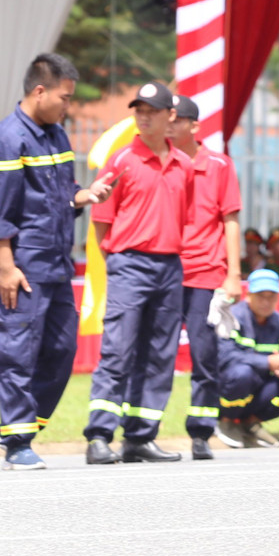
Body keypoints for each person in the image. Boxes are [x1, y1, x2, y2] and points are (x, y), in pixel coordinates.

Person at [0, 54, 112, 471]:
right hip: (22, 268)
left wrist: (85, 195)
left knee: (62, 350)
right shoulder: (7, 139)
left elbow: (59, 195)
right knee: (16, 353)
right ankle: (17, 441)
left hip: (59, 264)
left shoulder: (57, 135)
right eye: (64, 97)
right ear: (39, 91)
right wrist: (6, 267)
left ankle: (18, 427)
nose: (68, 106)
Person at [84, 81, 195, 465]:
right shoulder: (121, 161)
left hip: (169, 266)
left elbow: (185, 216)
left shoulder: (184, 165)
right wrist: (116, 259)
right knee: (117, 351)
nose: (143, 116)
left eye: (151, 110)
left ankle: (140, 436)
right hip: (129, 264)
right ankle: (99, 435)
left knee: (159, 355)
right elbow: (101, 221)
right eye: (138, 110)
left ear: (170, 117)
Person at [167, 93, 242, 461]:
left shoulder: (219, 164)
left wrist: (234, 275)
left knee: (204, 355)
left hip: (205, 273)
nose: (168, 124)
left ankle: (200, 432)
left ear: (193, 125)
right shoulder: (162, 162)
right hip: (166, 271)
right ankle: (143, 431)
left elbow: (230, 221)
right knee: (156, 354)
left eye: (175, 118)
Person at [216, 268, 279, 448]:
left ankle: (251, 422)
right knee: (243, 373)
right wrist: (267, 362)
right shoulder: (233, 317)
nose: (266, 302)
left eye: (271, 296)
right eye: (261, 295)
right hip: (230, 383)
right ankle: (226, 420)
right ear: (249, 295)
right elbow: (225, 357)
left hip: (261, 385)